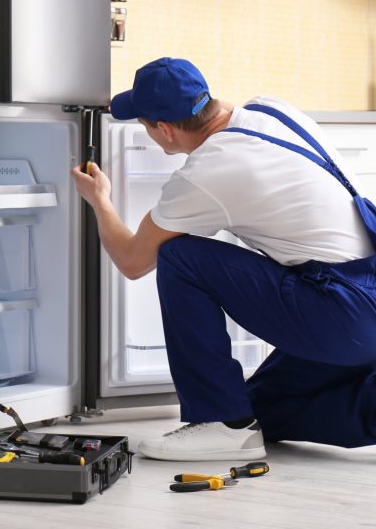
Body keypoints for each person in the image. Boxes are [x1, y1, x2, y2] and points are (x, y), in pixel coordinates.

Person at [71, 57, 376, 462]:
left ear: (164, 129)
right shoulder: (271, 109)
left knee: (181, 256)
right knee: (264, 412)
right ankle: (240, 423)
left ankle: (222, 423)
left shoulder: (206, 172)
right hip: (362, 298)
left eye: (146, 126)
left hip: (344, 315)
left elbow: (132, 261)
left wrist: (100, 201)